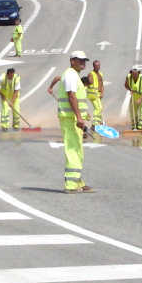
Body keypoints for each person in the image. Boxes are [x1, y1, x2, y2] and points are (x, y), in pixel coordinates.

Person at [47, 51, 93, 193]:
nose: (83, 63)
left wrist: (83, 115)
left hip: (73, 118)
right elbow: (71, 96)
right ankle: (71, 185)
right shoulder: (71, 75)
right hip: (70, 118)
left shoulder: (73, 75)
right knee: (73, 149)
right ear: (72, 61)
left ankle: (77, 181)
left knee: (77, 150)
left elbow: (77, 98)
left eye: (84, 60)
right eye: (80, 60)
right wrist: (79, 118)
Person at [87, 59, 104, 129]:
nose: (98, 67)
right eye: (96, 66)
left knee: (100, 108)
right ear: (93, 66)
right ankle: (94, 124)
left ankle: (99, 122)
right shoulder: (91, 74)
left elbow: (102, 84)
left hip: (98, 94)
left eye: (99, 66)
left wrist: (102, 92)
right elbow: (88, 83)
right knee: (98, 108)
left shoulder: (100, 74)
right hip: (93, 95)